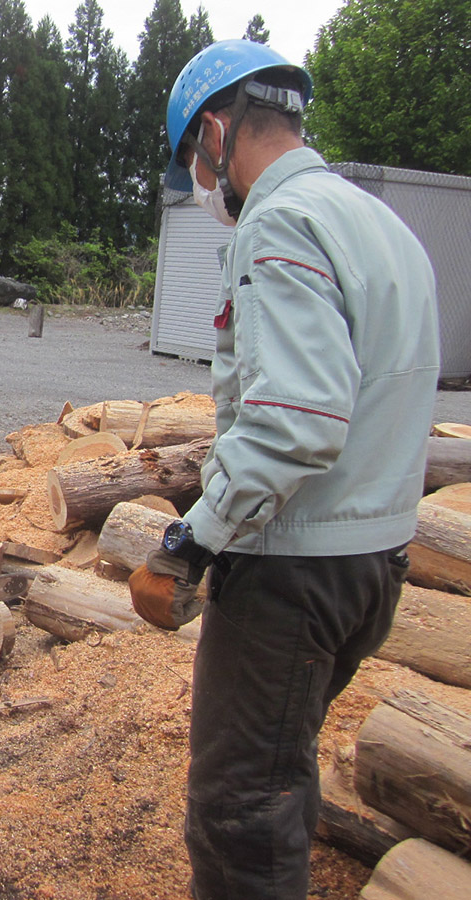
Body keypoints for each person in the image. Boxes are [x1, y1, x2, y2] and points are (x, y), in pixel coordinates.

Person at [127, 40, 439, 899]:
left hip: (295, 571)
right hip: (374, 564)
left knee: (241, 812)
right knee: (280, 770)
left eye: (196, 154)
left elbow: (298, 417)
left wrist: (192, 541)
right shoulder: (380, 224)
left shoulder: (278, 221)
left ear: (219, 132)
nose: (201, 176)